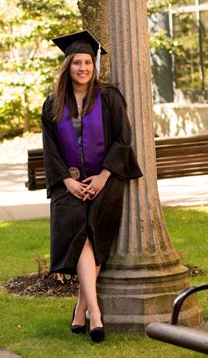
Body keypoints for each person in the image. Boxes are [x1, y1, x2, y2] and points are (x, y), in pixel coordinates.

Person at [41, 30, 142, 343]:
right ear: (68, 66)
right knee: (81, 234)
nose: (82, 68)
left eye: (87, 62)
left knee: (95, 234)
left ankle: (82, 307)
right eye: (76, 62)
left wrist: (102, 177)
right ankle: (95, 314)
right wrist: (69, 182)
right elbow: (51, 149)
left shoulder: (109, 97)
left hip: (106, 180)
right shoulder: (52, 104)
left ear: (93, 66)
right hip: (68, 185)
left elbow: (122, 140)